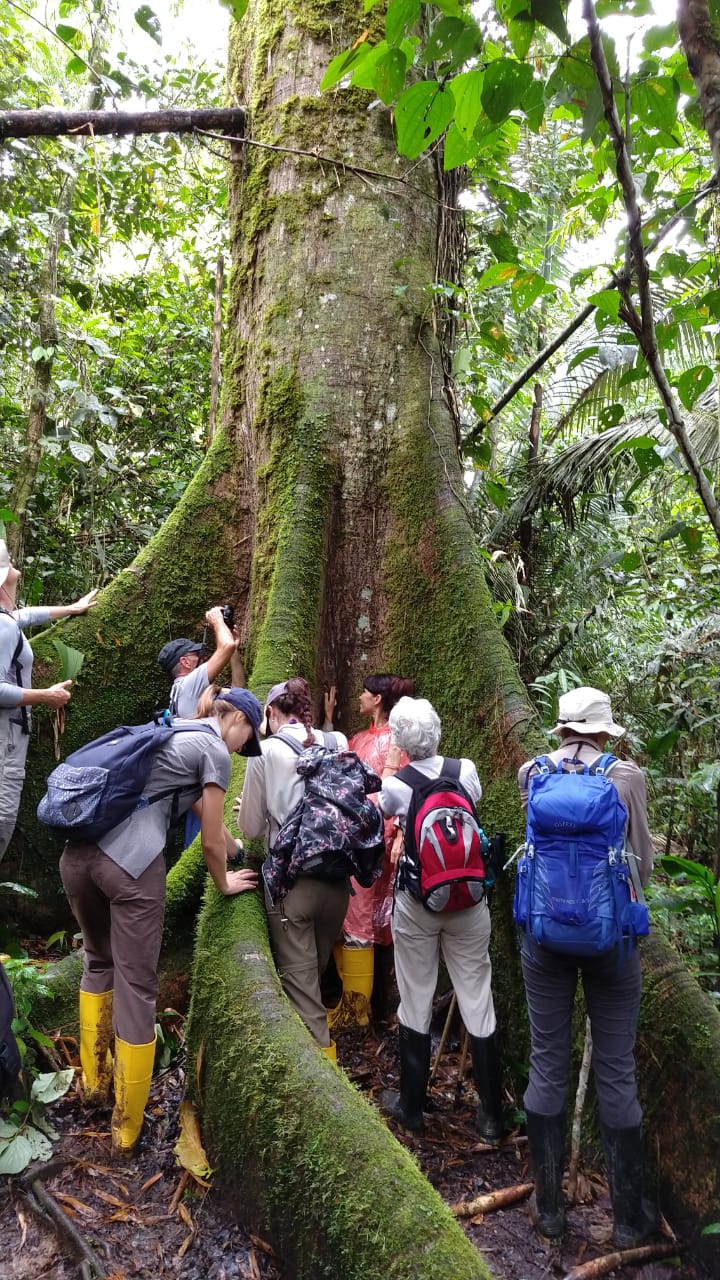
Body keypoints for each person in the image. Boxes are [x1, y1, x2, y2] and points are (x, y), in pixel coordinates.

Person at [59, 687, 263, 1155]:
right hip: (129, 867)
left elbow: (204, 815)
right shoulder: (215, 751)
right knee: (136, 987)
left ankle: (95, 1086)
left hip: (76, 859)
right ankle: (126, 1131)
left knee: (98, 961)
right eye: (247, 739)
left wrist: (237, 850)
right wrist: (224, 882)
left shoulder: (171, 729)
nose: (242, 749)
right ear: (238, 720)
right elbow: (208, 842)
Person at [517, 686, 657, 1247]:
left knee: (547, 1062)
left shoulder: (533, 773)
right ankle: (627, 1220)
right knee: (617, 1071)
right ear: (603, 731)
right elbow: (642, 862)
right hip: (611, 943)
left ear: (562, 728)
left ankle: (550, 1210)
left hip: (544, 940)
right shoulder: (626, 777)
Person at [378, 696, 503, 1141]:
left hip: (418, 904)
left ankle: (412, 1107)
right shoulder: (464, 770)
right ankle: (491, 1115)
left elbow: (385, 808)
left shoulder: (398, 784)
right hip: (469, 901)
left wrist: (393, 762)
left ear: (400, 742)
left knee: (415, 996)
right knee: (477, 996)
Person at [238, 677, 349, 1059]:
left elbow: (250, 828)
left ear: (270, 713)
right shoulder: (337, 742)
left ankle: (322, 1088)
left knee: (304, 998)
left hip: (293, 886)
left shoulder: (265, 751)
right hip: (338, 882)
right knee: (312, 975)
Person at [0, 539, 98, 861]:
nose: (17, 569)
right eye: (10, 565)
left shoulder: (5, 620)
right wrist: (46, 696)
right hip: (6, 739)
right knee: (2, 818)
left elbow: (23, 616)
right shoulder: (2, 626)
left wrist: (71, 609)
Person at [327, 673, 414, 1029]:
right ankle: (350, 1002)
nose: (359, 697)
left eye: (364, 693)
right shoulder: (360, 738)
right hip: (352, 838)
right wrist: (328, 724)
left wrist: (397, 832)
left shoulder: (396, 742)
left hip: (376, 841)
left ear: (377, 699)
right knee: (346, 916)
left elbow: (403, 791)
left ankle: (358, 1010)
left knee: (359, 917)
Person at [158, 607, 243, 719]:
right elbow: (227, 645)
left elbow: (239, 695)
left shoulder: (182, 691)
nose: (203, 657)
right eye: (197, 654)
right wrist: (217, 621)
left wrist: (233, 651)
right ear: (185, 662)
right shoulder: (188, 685)